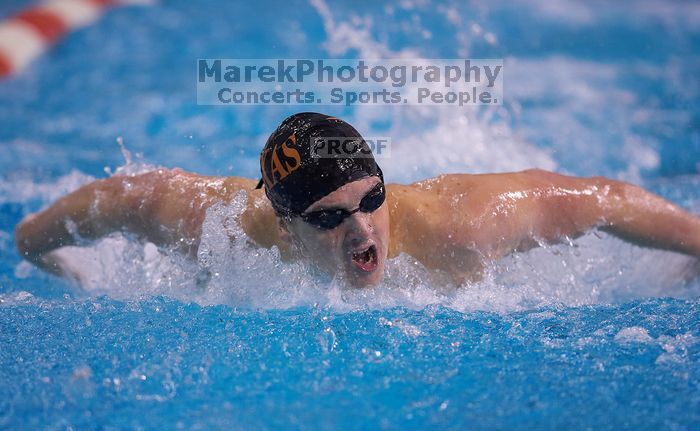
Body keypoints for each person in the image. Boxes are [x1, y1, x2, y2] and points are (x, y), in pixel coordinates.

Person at [14, 112, 700, 288]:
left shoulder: (462, 227)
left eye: (372, 199)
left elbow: (604, 200)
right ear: (284, 227)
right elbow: (121, 198)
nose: (364, 229)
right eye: (330, 217)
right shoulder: (218, 229)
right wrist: (44, 257)